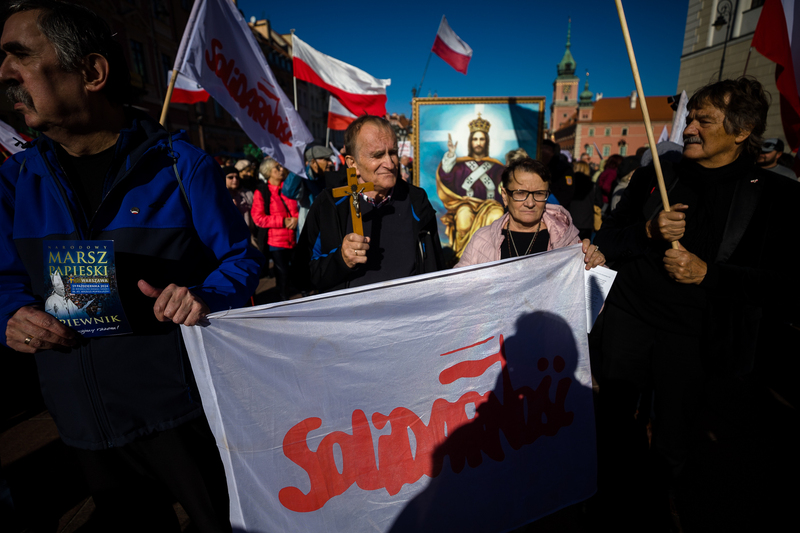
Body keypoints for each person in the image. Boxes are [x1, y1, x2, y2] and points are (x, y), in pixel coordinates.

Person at [0, 1, 263, 530]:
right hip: (81, 427)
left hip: (183, 417)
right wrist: (9, 315)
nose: (5, 74)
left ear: (91, 72)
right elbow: (5, 282)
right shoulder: (14, 181)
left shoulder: (180, 164)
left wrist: (204, 295)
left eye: (20, 56)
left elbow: (240, 259)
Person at [589, 77, 800, 528]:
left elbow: (784, 284)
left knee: (673, 439)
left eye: (704, 120)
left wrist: (710, 274)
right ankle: (613, 502)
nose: (689, 129)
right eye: (690, 118)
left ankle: (663, 507)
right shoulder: (657, 174)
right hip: (629, 319)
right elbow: (607, 238)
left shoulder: (774, 194)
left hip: (697, 340)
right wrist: (646, 232)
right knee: (614, 425)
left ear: (742, 131)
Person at [301, 115, 443, 292]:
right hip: (351, 317)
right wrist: (340, 259)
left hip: (410, 314)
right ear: (353, 164)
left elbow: (435, 265)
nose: (390, 164)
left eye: (392, 153)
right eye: (377, 155)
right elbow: (302, 276)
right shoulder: (328, 205)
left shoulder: (416, 199)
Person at [456, 158, 604, 268]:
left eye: (539, 194)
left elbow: (594, 297)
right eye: (520, 193)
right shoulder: (483, 239)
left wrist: (595, 262)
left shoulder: (565, 239)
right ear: (505, 196)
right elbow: (457, 290)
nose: (530, 203)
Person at [436, 114, 506, 257]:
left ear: (486, 142)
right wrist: (450, 156)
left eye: (481, 139)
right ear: (470, 141)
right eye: (475, 139)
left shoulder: (497, 168)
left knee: (497, 215)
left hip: (491, 206)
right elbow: (446, 179)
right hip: (466, 205)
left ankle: (487, 258)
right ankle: (462, 257)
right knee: (463, 218)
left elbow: (504, 189)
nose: (478, 143)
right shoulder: (460, 166)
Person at [252, 157, 299, 301]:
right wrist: (282, 221)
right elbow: (258, 218)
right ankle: (284, 299)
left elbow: (297, 208)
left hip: (293, 238)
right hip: (275, 241)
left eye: (281, 167)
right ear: (268, 172)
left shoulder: (289, 188)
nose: (281, 170)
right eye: (277, 168)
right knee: (283, 272)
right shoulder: (262, 192)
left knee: (292, 271)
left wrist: (296, 219)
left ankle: (291, 294)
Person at [223, 165, 257, 248]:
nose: (235, 180)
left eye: (237, 177)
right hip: (230, 237)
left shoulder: (248, 193)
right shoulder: (220, 195)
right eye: (230, 177)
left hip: (250, 235)